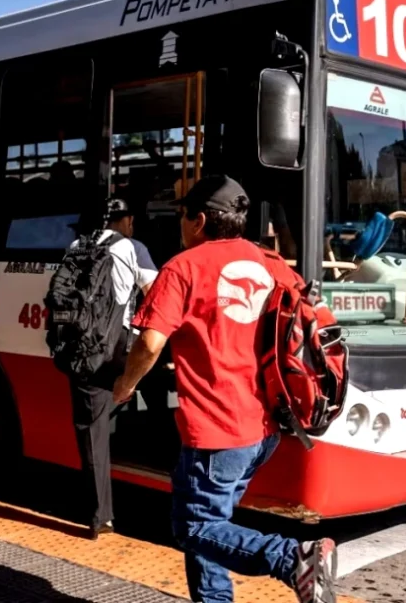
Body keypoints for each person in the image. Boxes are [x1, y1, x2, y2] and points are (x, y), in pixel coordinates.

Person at [113, 175, 338, 603]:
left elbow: (150, 342)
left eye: (182, 215)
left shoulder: (183, 267)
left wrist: (126, 385)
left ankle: (293, 558)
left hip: (215, 430)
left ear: (198, 221)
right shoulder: (272, 264)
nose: (179, 224)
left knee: (196, 528)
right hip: (264, 426)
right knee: (216, 524)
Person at [68, 197, 158, 540]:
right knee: (154, 385)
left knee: (92, 432)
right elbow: (156, 295)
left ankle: (99, 516)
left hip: (83, 350)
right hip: (120, 349)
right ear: (128, 221)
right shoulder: (134, 248)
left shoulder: (77, 245)